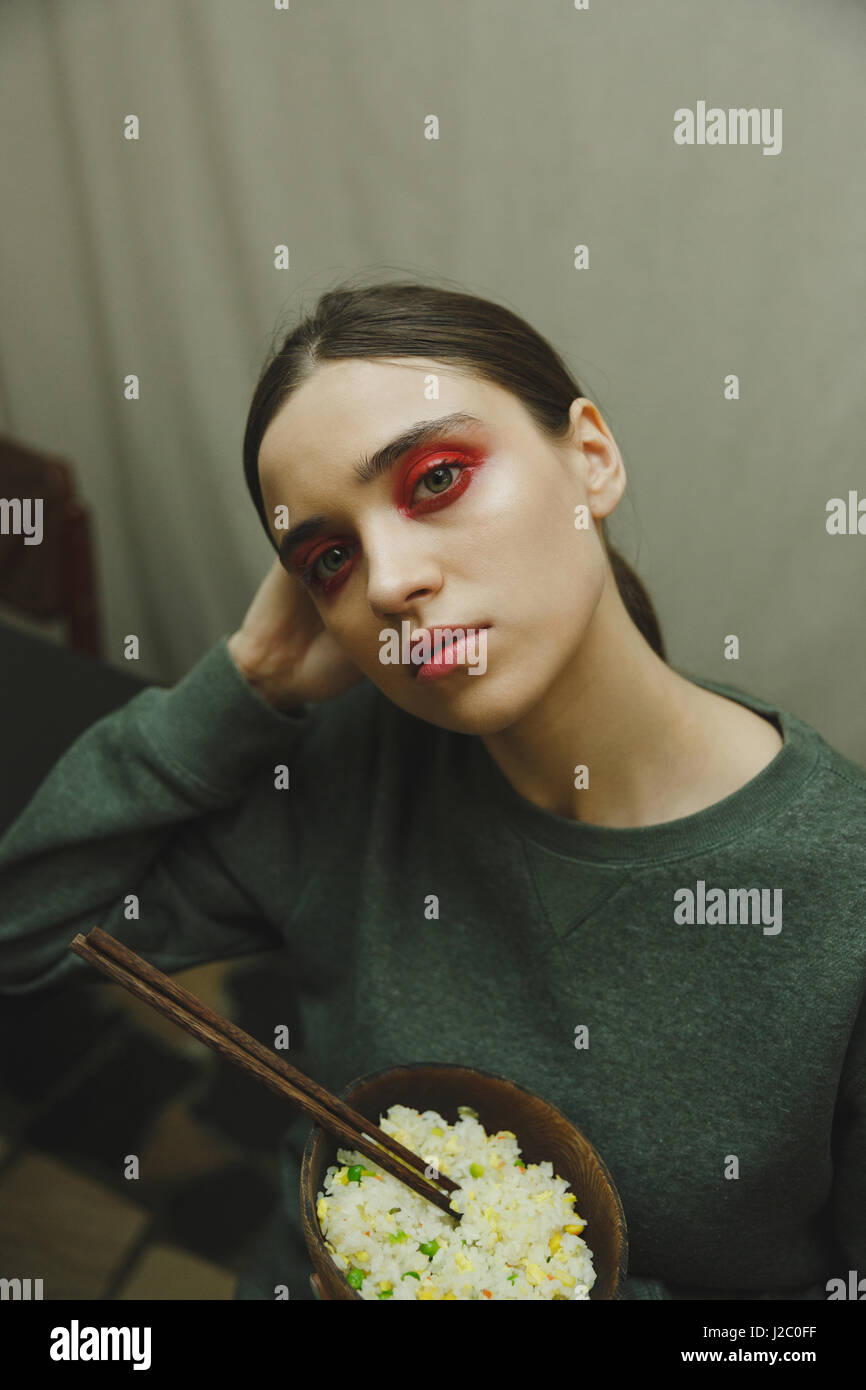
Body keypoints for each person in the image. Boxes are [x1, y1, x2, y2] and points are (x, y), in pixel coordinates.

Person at [0, 279, 863, 1302]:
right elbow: (29, 932)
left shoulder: (833, 891)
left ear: (589, 457)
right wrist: (249, 681)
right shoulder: (347, 768)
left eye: (436, 477)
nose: (387, 581)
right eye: (328, 556)